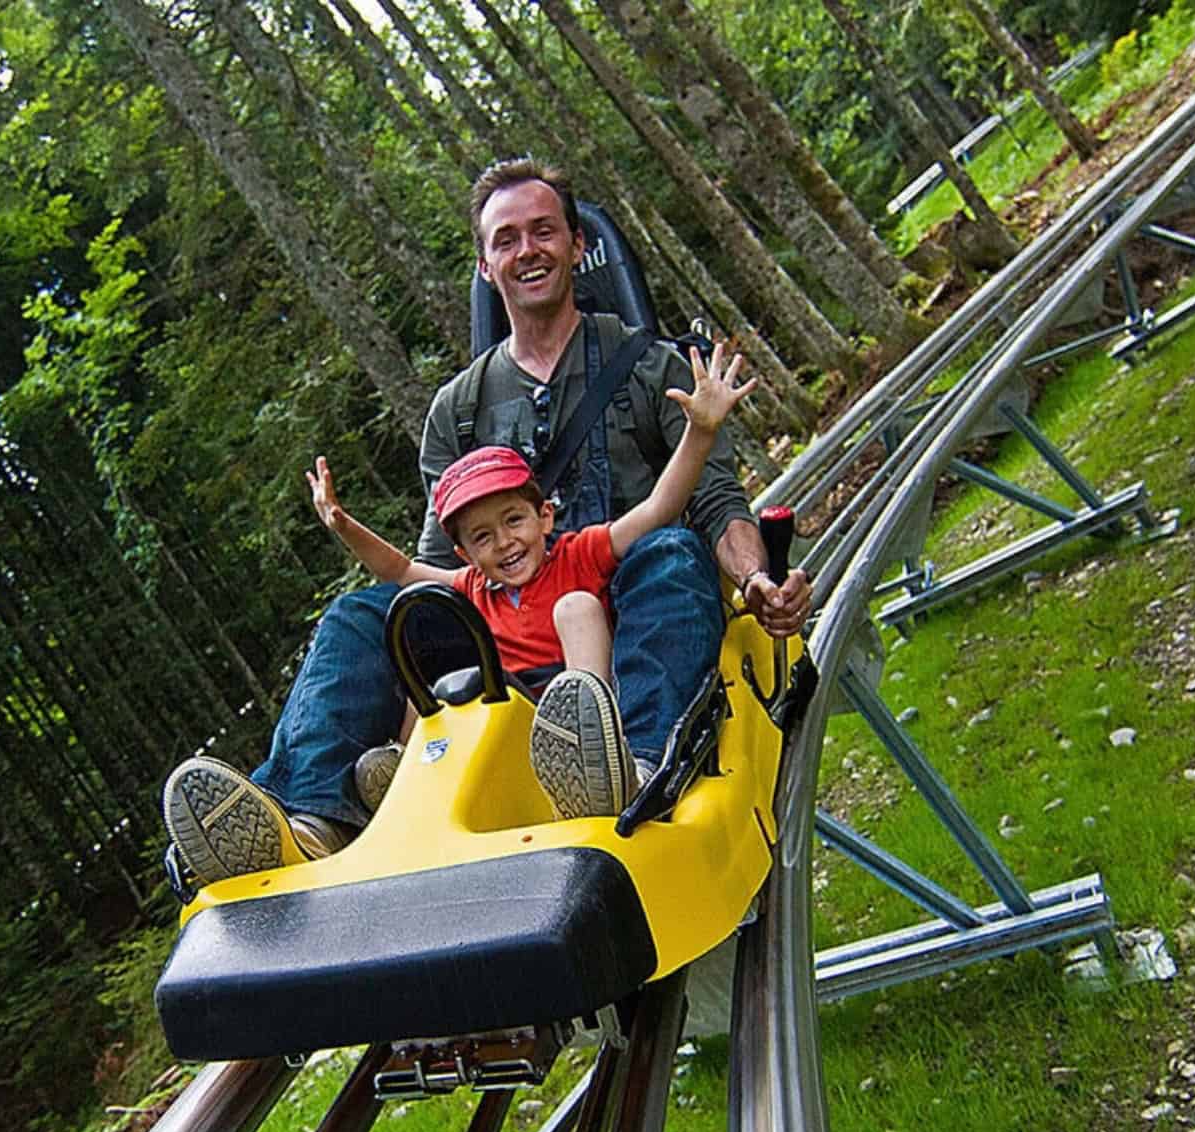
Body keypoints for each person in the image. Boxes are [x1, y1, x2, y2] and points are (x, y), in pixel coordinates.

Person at [162, 157, 811, 890]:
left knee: (666, 549)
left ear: (574, 245)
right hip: (507, 632)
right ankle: (308, 819)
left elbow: (714, 501)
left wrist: (757, 578)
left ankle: (639, 763)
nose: (527, 249)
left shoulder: (650, 366)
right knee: (359, 614)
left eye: (543, 231)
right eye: (508, 239)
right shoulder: (458, 411)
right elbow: (434, 576)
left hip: (628, 611)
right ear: (486, 263)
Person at [306, 331, 754, 812]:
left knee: (576, 605)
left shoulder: (580, 552)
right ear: (463, 553)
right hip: (513, 723)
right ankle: (411, 773)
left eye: (514, 520)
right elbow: (397, 569)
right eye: (482, 537)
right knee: (427, 643)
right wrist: (343, 524)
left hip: (584, 704)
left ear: (544, 517)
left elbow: (659, 508)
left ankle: (599, 750)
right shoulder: (474, 587)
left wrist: (700, 432)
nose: (504, 542)